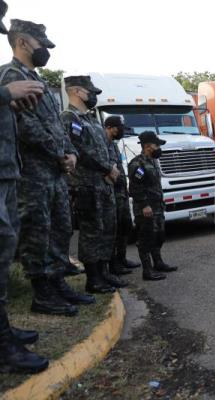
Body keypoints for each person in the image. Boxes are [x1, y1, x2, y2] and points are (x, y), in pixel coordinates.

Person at [0, 19, 92, 317]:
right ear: (23, 42)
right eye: (42, 45)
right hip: (33, 173)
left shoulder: (36, 79)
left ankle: (56, 282)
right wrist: (59, 154)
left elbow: (54, 125)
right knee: (37, 231)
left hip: (54, 171)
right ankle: (41, 292)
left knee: (60, 228)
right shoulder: (11, 77)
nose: (46, 51)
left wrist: (69, 152)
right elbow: (27, 126)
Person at [0, 2, 49, 374]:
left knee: (6, 244)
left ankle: (3, 331)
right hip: (17, 171)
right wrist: (5, 95)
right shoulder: (8, 76)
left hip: (8, 169)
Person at [61, 76, 127, 292]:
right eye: (91, 92)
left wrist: (111, 169)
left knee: (107, 229)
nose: (93, 96)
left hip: (104, 184)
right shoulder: (69, 118)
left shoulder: (90, 119)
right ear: (77, 91)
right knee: (91, 232)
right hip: (87, 186)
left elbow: (103, 148)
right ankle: (93, 279)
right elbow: (79, 151)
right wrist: (107, 169)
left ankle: (105, 272)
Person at [128, 131, 177, 281]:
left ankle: (158, 263)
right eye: (157, 145)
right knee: (146, 239)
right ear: (148, 146)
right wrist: (144, 205)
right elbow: (134, 188)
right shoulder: (138, 164)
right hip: (146, 209)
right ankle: (147, 271)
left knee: (159, 235)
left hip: (157, 206)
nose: (159, 148)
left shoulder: (153, 162)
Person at [104, 116, 140, 275]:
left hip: (121, 192)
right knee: (113, 229)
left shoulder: (114, 144)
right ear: (110, 127)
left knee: (125, 226)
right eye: (119, 127)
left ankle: (122, 258)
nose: (122, 130)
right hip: (110, 193)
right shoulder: (103, 144)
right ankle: (113, 265)